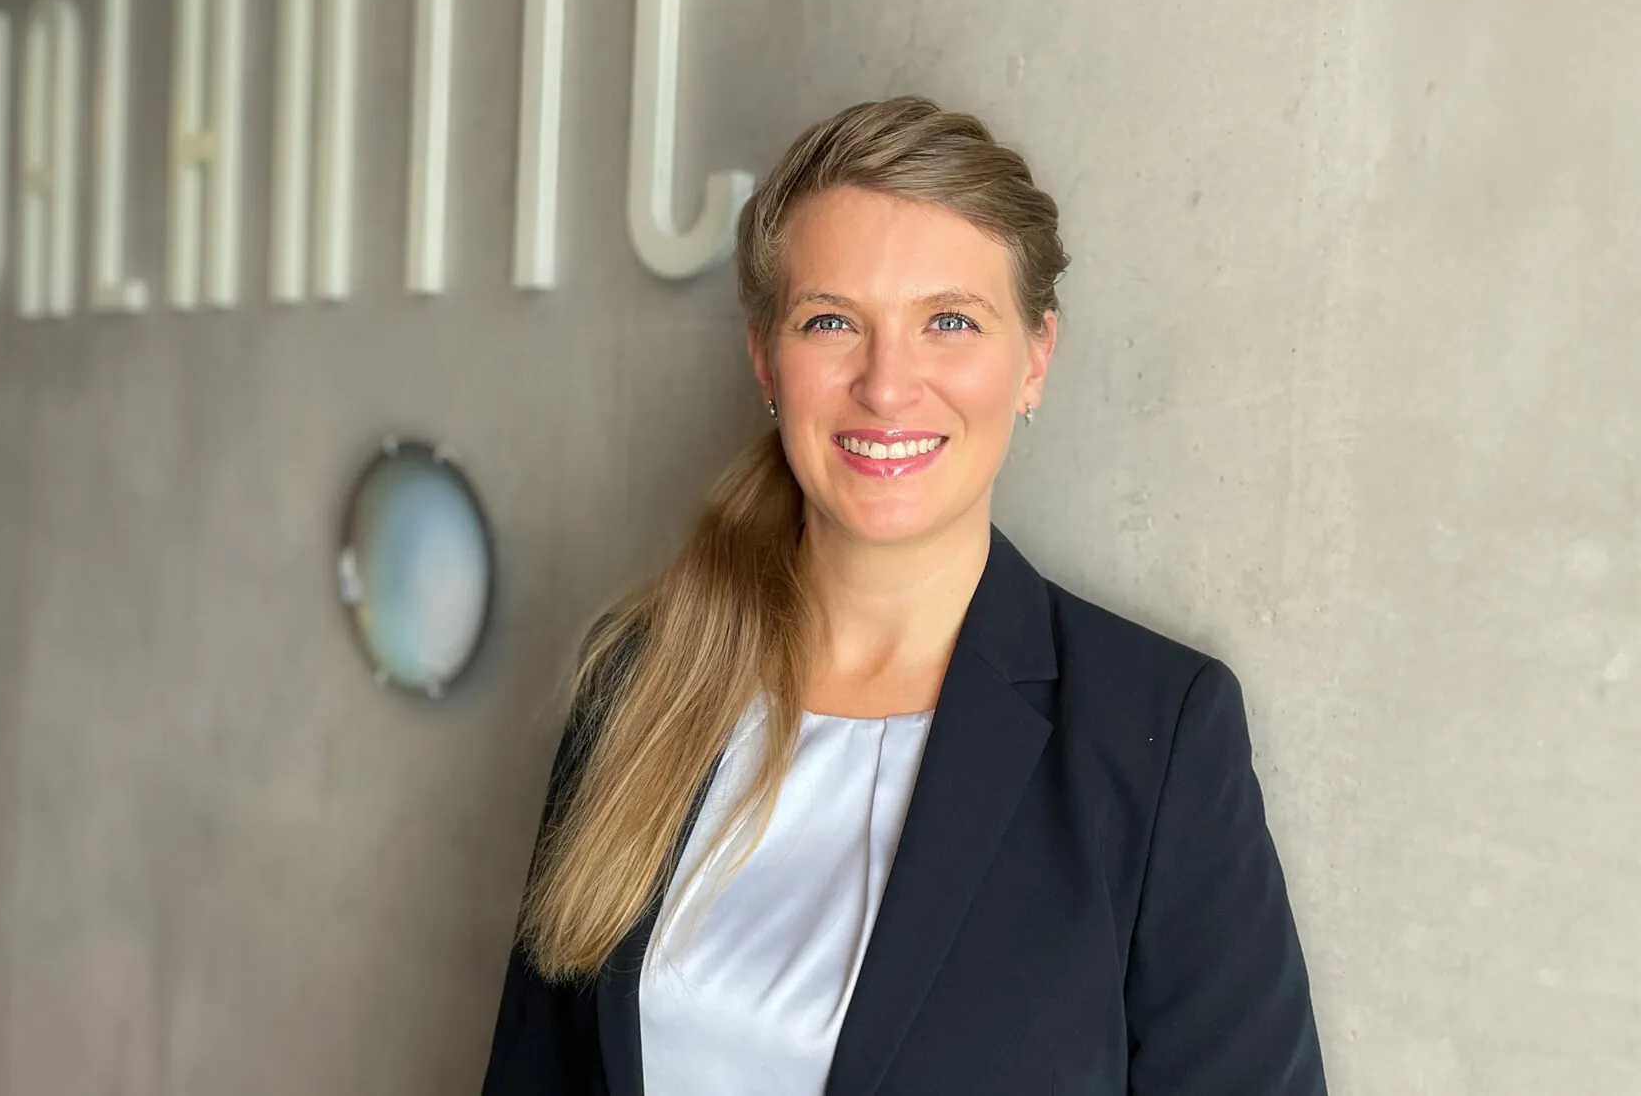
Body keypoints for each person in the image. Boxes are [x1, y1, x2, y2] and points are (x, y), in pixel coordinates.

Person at [481, 97, 1327, 1095]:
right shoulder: (640, 682)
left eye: (949, 322)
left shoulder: (1154, 735)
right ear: (765, 359)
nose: (886, 387)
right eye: (831, 321)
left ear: (1035, 358)